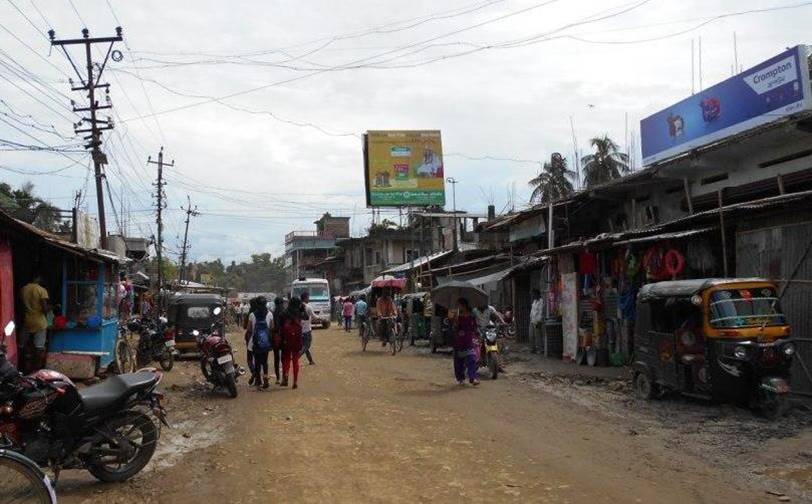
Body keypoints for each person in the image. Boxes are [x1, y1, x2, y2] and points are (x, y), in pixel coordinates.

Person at [20, 274, 50, 373]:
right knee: (39, 347)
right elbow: (45, 308)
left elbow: (21, 305)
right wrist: (53, 307)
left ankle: (23, 368)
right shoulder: (41, 290)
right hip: (39, 322)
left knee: (23, 346)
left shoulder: (23, 289)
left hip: (27, 321)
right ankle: (37, 370)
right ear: (37, 278)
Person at [248, 296, 273, 389]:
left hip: (255, 342)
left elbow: (249, 329)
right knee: (265, 362)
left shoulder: (252, 315)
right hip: (265, 342)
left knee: (257, 362)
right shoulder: (270, 314)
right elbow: (272, 327)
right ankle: (266, 379)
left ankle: (258, 381)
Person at [453, 298, 480, 386]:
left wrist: (477, 335)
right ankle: (461, 378)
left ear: (464, 305)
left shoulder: (472, 315)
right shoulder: (457, 316)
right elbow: (455, 328)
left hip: (469, 340)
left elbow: (475, 327)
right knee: (459, 362)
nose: (459, 307)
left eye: (460, 305)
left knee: (471, 359)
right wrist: (456, 320)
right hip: (459, 341)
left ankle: (473, 378)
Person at [280, 297, 304, 389]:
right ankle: (295, 381)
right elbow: (305, 316)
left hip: (286, 339)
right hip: (297, 339)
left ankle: (286, 373)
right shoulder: (299, 312)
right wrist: (302, 308)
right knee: (295, 360)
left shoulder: (285, 312)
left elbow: (280, 324)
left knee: (286, 358)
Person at [271, 297, 285, 384]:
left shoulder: (273, 313)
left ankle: (277, 378)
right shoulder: (285, 312)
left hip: (275, 337)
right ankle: (284, 376)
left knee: (276, 358)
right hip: (284, 337)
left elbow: (272, 327)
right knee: (284, 358)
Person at [300, 292, 316, 366]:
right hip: (307, 330)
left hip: (300, 330)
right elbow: (314, 316)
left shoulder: (298, 306)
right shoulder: (308, 307)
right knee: (306, 346)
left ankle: (311, 360)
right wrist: (322, 319)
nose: (309, 299)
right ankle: (296, 358)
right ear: (305, 298)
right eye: (308, 297)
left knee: (304, 346)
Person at [530, 289, 544, 354]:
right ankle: (533, 348)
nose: (533, 296)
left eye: (534, 294)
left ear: (537, 294)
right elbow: (532, 310)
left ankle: (540, 349)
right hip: (532, 320)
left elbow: (540, 312)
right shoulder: (534, 301)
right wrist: (530, 318)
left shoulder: (541, 301)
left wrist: (539, 321)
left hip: (537, 321)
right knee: (531, 335)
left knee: (538, 336)